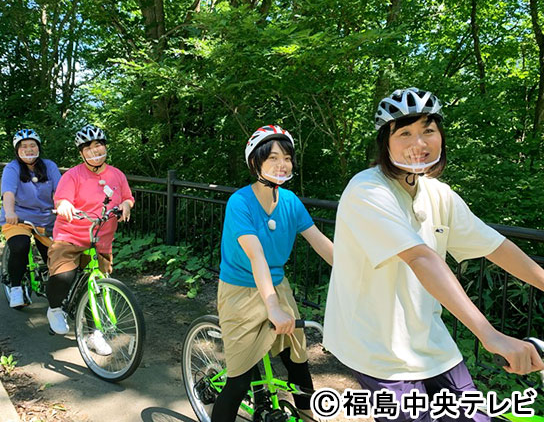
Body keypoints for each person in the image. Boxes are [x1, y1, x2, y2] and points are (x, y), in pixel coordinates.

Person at [323, 88, 544, 422]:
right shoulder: (366, 191)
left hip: (429, 338)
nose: (419, 142)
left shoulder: (439, 194)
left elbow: (496, 247)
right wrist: (490, 335)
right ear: (386, 142)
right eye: (405, 133)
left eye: (428, 130)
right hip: (379, 347)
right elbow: (422, 258)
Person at [212, 125, 334, 422]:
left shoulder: (290, 201)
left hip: (277, 286)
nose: (283, 164)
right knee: (239, 381)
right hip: (240, 291)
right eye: (273, 158)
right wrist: (272, 307)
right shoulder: (240, 202)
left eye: (288, 158)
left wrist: (362, 276)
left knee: (298, 363)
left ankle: (307, 417)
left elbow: (320, 242)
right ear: (255, 162)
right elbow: (257, 257)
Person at [46, 124, 134, 355]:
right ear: (81, 153)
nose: (95, 151)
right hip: (71, 235)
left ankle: (94, 334)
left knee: (96, 287)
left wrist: (126, 204)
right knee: (64, 274)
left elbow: (127, 196)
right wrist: (64, 205)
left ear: (105, 147)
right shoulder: (72, 175)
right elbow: (62, 199)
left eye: (98, 145)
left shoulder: (117, 174)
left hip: (101, 239)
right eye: (88, 148)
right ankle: (55, 308)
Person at [0, 128, 61, 308]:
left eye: (32, 145)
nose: (29, 150)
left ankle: (56, 295)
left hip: (46, 219)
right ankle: (16, 288)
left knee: (55, 255)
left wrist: (60, 207)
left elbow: (59, 191)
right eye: (24, 146)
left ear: (38, 147)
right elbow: (8, 193)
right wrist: (10, 212)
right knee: (20, 246)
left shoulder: (49, 166)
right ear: (17, 150)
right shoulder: (12, 168)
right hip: (19, 218)